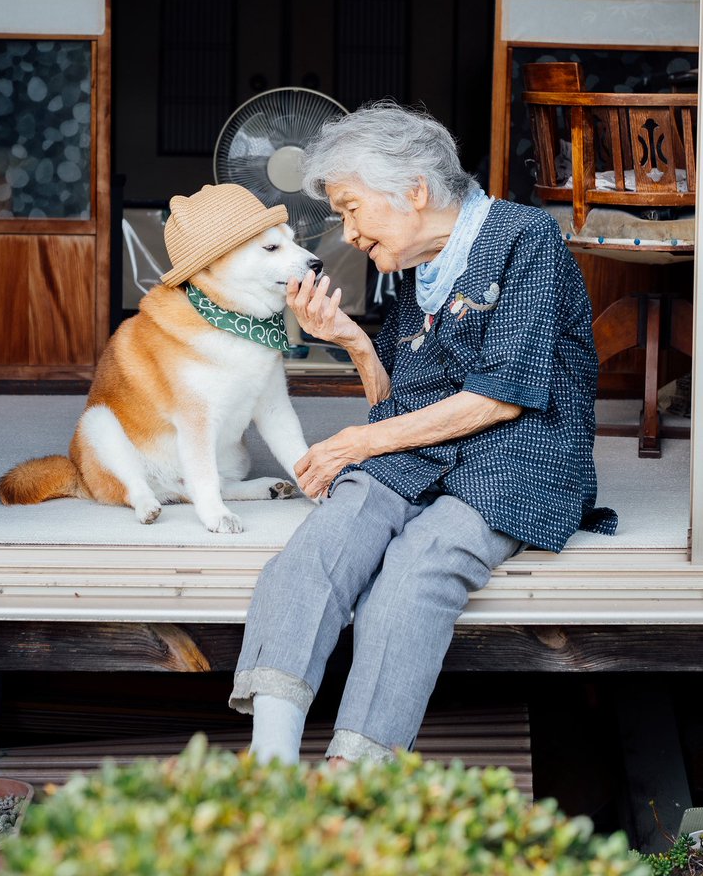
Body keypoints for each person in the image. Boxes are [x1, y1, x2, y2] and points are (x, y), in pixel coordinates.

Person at [228, 99, 617, 766]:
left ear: (413, 191)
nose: (348, 232)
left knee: (416, 569)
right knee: (327, 537)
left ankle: (354, 779)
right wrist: (352, 341)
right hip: (423, 449)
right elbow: (398, 401)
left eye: (351, 208)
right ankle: (270, 765)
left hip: (521, 455)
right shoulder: (417, 269)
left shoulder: (525, 238)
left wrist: (357, 443)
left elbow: (500, 398)